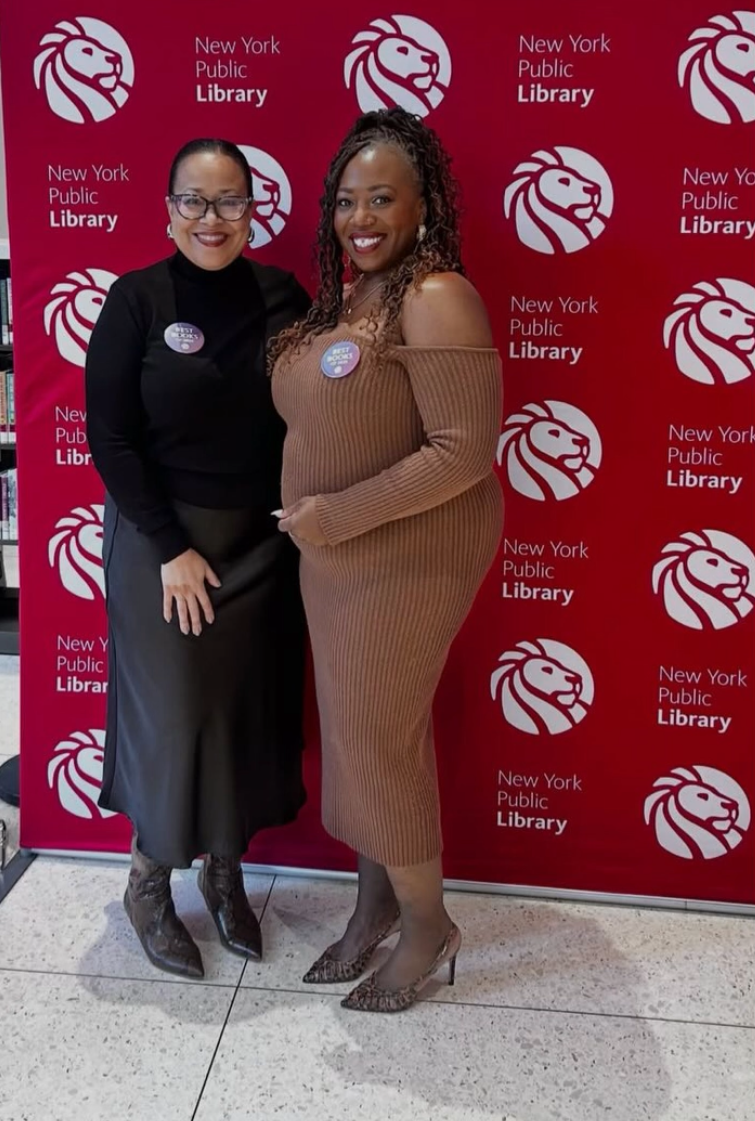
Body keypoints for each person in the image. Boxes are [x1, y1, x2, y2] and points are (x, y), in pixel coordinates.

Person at [270, 108, 504, 1014]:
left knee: (377, 737)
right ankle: (371, 903)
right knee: (355, 734)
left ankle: (426, 924)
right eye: (345, 200)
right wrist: (320, 526)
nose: (358, 217)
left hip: (405, 551)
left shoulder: (434, 293)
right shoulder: (349, 298)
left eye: (381, 199)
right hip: (332, 556)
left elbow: (462, 450)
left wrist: (335, 514)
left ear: (423, 206)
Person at [85, 138, 310, 980]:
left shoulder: (284, 297)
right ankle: (148, 881)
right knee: (175, 716)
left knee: (243, 713)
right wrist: (170, 547)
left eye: (229, 203)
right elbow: (108, 435)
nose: (211, 219)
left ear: (254, 210)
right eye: (195, 201)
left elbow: (314, 410)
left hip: (260, 546)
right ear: (168, 206)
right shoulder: (136, 299)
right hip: (162, 544)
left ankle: (225, 872)